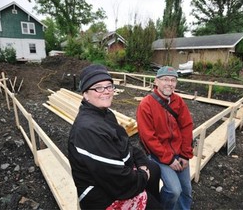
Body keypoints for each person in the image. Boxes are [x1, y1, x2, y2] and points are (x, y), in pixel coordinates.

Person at [68, 64, 162, 209]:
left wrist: (142, 162)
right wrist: (143, 175)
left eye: (109, 86)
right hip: (100, 196)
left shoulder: (106, 114)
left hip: (116, 175)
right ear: (85, 94)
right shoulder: (88, 129)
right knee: (155, 205)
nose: (106, 91)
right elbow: (119, 181)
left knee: (154, 168)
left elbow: (126, 145)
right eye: (98, 87)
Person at [136, 66, 194, 210]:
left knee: (186, 190)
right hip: (159, 155)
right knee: (174, 190)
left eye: (173, 80)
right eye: (165, 79)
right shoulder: (146, 105)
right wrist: (169, 159)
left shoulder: (178, 101)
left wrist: (185, 154)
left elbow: (186, 127)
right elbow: (148, 138)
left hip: (179, 152)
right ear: (156, 81)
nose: (169, 83)